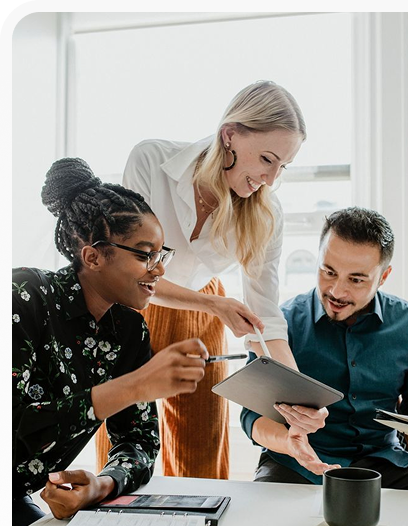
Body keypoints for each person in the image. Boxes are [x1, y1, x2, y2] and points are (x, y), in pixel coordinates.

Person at [100, 80, 307, 479]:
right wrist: (214, 305)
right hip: (126, 307)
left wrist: (299, 396)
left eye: (282, 166)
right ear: (229, 135)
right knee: (121, 442)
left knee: (201, 447)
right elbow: (129, 273)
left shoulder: (267, 214)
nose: (270, 178)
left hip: (202, 310)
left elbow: (266, 318)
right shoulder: (150, 160)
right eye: (267, 158)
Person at [12, 157, 208, 526]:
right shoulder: (24, 297)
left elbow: (139, 439)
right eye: (144, 253)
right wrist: (133, 386)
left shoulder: (129, 329)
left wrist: (102, 485)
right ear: (93, 256)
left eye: (161, 253)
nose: (160, 268)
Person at [241, 207, 408, 490]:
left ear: (383, 276)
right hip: (296, 462)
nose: (337, 291)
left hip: (383, 461)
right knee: (264, 519)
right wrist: (291, 444)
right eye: (328, 271)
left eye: (356, 280)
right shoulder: (281, 324)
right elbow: (251, 415)